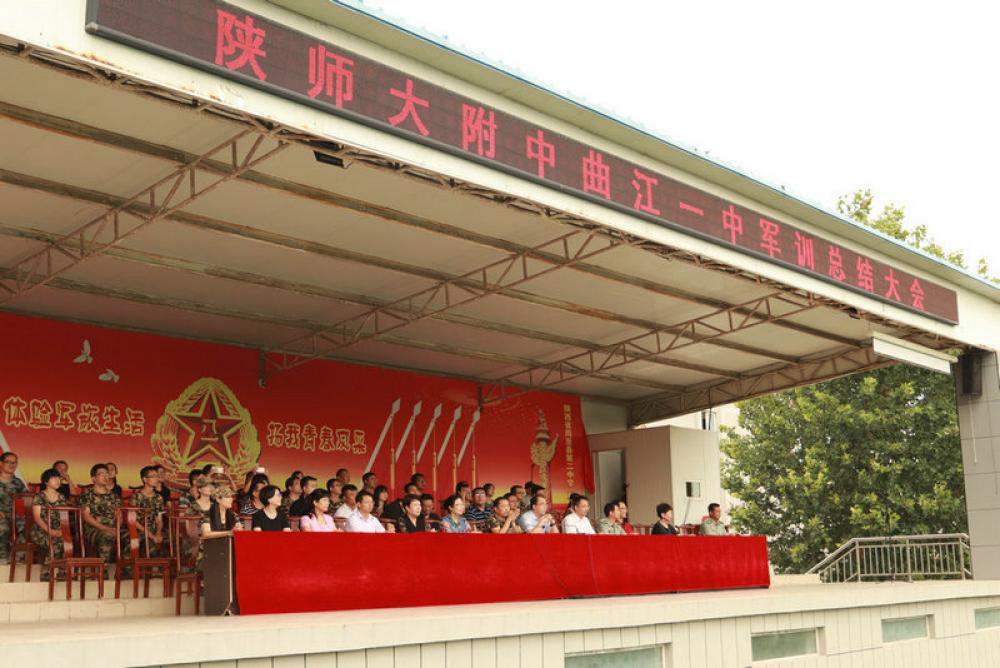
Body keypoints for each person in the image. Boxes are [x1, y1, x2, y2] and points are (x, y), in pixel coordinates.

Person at [80, 463, 121, 563]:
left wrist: (117, 528)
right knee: (107, 535)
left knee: (131, 536)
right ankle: (103, 567)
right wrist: (105, 528)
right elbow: (86, 517)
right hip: (94, 530)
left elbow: (119, 515)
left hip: (113, 528)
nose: (106, 476)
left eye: (107, 474)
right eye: (102, 474)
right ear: (93, 478)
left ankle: (126, 568)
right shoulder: (87, 494)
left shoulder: (113, 495)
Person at [32, 468, 67, 572]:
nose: (58, 480)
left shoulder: (61, 497)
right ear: (46, 482)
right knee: (56, 542)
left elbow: (64, 517)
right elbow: (37, 517)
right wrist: (50, 531)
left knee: (66, 540)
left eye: (58, 478)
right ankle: (47, 570)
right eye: (54, 478)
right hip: (40, 531)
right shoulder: (39, 496)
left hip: (57, 530)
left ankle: (62, 571)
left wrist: (61, 531)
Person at [197, 486, 240, 570]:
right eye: (227, 497)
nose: (231, 499)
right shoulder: (208, 514)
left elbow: (239, 532)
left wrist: (238, 529)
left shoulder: (234, 515)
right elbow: (206, 534)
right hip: (210, 552)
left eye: (231, 497)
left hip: (228, 551)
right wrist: (229, 532)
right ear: (218, 499)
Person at [133, 465, 166, 554]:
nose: (157, 479)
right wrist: (151, 535)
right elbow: (134, 521)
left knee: (171, 541)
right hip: (140, 530)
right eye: (153, 476)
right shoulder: (136, 497)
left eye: (157, 476)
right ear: (145, 479)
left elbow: (159, 519)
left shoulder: (158, 497)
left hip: (154, 529)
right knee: (151, 547)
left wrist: (158, 533)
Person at [0, 451, 26, 564]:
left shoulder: (17, 482)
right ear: (1, 463)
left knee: (27, 524)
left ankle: (17, 556)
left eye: (14, 463)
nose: (12, 465)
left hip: (13, 514)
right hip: (1, 515)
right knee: (3, 526)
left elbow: (27, 497)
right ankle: (2, 558)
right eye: (8, 462)